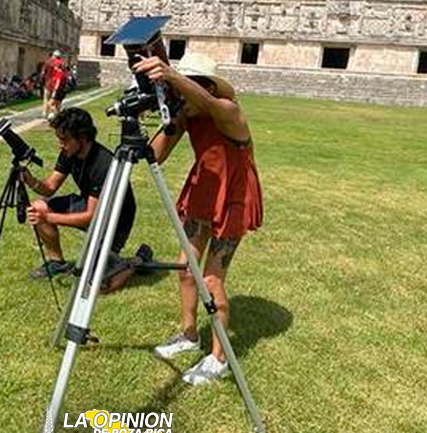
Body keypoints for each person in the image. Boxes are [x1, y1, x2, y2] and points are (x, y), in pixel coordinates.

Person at [133, 52, 263, 385]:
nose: (180, 96)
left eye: (185, 88)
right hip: (203, 186)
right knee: (185, 268)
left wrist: (174, 77)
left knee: (211, 279)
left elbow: (208, 102)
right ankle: (189, 335)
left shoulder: (227, 109)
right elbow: (155, 154)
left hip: (232, 194)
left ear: (202, 86)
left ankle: (219, 358)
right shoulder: (189, 114)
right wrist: (161, 113)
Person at [20, 107, 137, 279]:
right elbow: (50, 187)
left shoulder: (103, 164)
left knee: (95, 279)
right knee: (39, 207)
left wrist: (47, 218)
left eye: (64, 139)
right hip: (91, 208)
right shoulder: (69, 152)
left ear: (82, 138)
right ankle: (57, 263)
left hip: (115, 222)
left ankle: (136, 261)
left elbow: (91, 216)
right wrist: (30, 180)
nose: (61, 144)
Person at [42, 50, 69, 120]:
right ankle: (53, 114)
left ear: (53, 55)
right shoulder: (62, 63)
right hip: (58, 85)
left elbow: (43, 73)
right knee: (56, 101)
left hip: (48, 83)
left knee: (47, 99)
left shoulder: (47, 62)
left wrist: (43, 81)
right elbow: (65, 75)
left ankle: (45, 113)